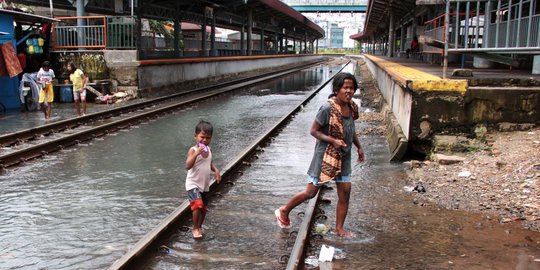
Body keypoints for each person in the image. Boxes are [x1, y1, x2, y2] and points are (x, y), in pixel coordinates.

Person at [275, 72, 365, 237]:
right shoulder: (326, 108)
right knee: (310, 193)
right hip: (325, 156)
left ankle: (339, 229)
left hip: (344, 157)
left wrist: (358, 146)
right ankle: (284, 210)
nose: (349, 91)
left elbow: (350, 130)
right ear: (337, 89)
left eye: (352, 88)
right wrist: (332, 140)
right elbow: (314, 131)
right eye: (345, 87)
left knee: (345, 192)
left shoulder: (351, 107)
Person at [185, 120, 221, 239]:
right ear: (195, 137)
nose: (205, 140)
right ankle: (195, 228)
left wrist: (216, 171)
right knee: (197, 205)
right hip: (193, 183)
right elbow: (188, 165)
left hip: (204, 184)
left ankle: (199, 226)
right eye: (202, 137)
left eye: (208, 138)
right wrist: (196, 154)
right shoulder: (193, 150)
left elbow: (209, 163)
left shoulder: (209, 150)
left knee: (204, 208)